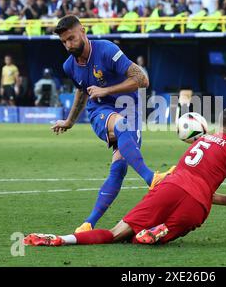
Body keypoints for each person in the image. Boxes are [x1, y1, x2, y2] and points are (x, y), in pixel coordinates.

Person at [23, 107, 226, 247]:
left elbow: (196, 184)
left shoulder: (200, 143)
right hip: (195, 205)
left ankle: (62, 239)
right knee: (144, 237)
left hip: (169, 186)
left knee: (116, 234)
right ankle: (160, 231)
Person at [50, 15, 173, 233]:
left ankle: (88, 224)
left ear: (83, 32)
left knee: (119, 168)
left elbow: (142, 80)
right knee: (121, 125)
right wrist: (69, 121)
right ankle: (151, 177)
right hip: (100, 111)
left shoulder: (106, 50)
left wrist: (106, 90)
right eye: (64, 42)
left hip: (130, 109)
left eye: (71, 38)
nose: (68, 45)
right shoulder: (69, 65)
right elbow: (81, 91)